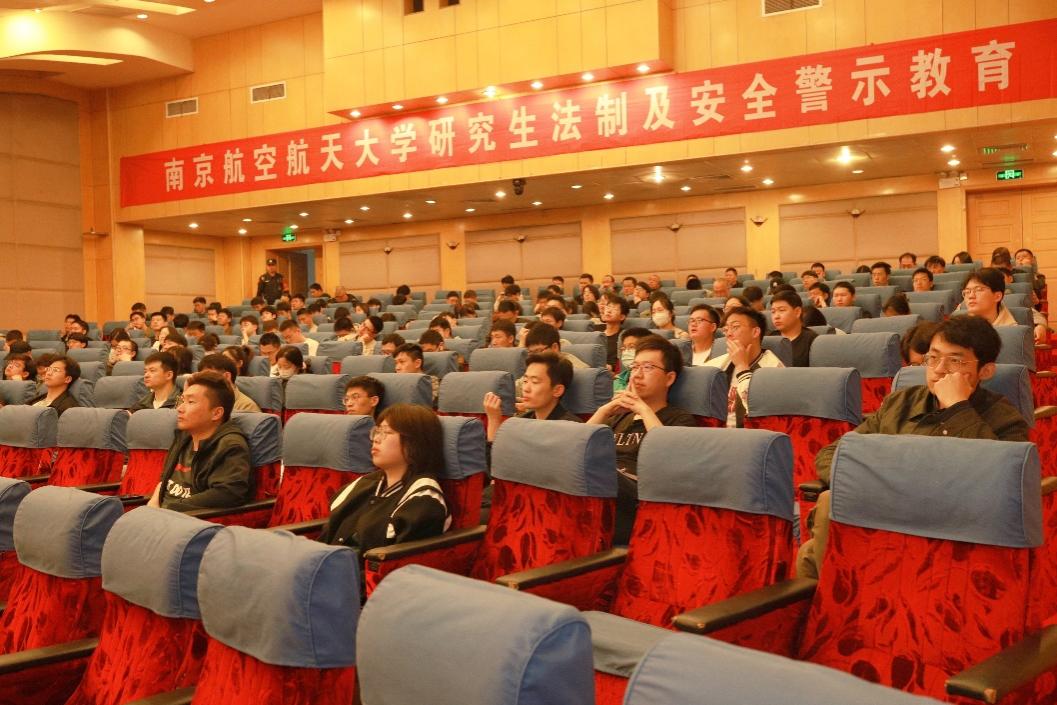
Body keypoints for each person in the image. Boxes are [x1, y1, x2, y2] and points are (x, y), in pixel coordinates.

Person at [588, 336, 695, 545]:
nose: (637, 374)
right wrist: (604, 411)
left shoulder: (679, 419)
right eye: (635, 367)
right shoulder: (619, 416)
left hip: (637, 497)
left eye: (647, 367)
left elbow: (669, 458)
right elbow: (578, 446)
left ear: (669, 378)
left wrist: (643, 409)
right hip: (603, 488)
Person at [317, 404, 450, 552]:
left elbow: (397, 560)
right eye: (377, 431)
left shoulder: (424, 497)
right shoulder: (364, 483)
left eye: (387, 432)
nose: (376, 439)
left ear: (415, 441)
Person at [148, 370, 252, 512]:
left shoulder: (231, 446)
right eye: (182, 400)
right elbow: (165, 479)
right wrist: (152, 507)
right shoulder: (183, 437)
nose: (180, 408)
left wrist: (171, 511)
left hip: (192, 519)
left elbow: (228, 493)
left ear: (216, 413)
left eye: (190, 402)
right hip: (161, 516)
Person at [706, 306, 784, 427]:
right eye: (726, 329)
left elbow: (760, 412)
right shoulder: (717, 365)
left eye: (735, 327)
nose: (729, 334)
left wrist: (742, 367)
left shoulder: (774, 368)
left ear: (755, 332)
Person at [483, 352, 580, 442]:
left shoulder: (571, 428)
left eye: (534, 382)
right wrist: (493, 420)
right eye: (525, 381)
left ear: (557, 390)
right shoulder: (520, 422)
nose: (525, 389)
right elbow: (500, 454)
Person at [768, 290, 816, 367]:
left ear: (797, 312)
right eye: (773, 312)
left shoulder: (812, 340)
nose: (776, 316)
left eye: (781, 310)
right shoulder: (769, 339)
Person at [599, 292, 628, 369]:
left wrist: (611, 367)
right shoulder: (595, 330)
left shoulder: (624, 337)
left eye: (614, 309)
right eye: (608, 307)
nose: (608, 311)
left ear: (622, 317)